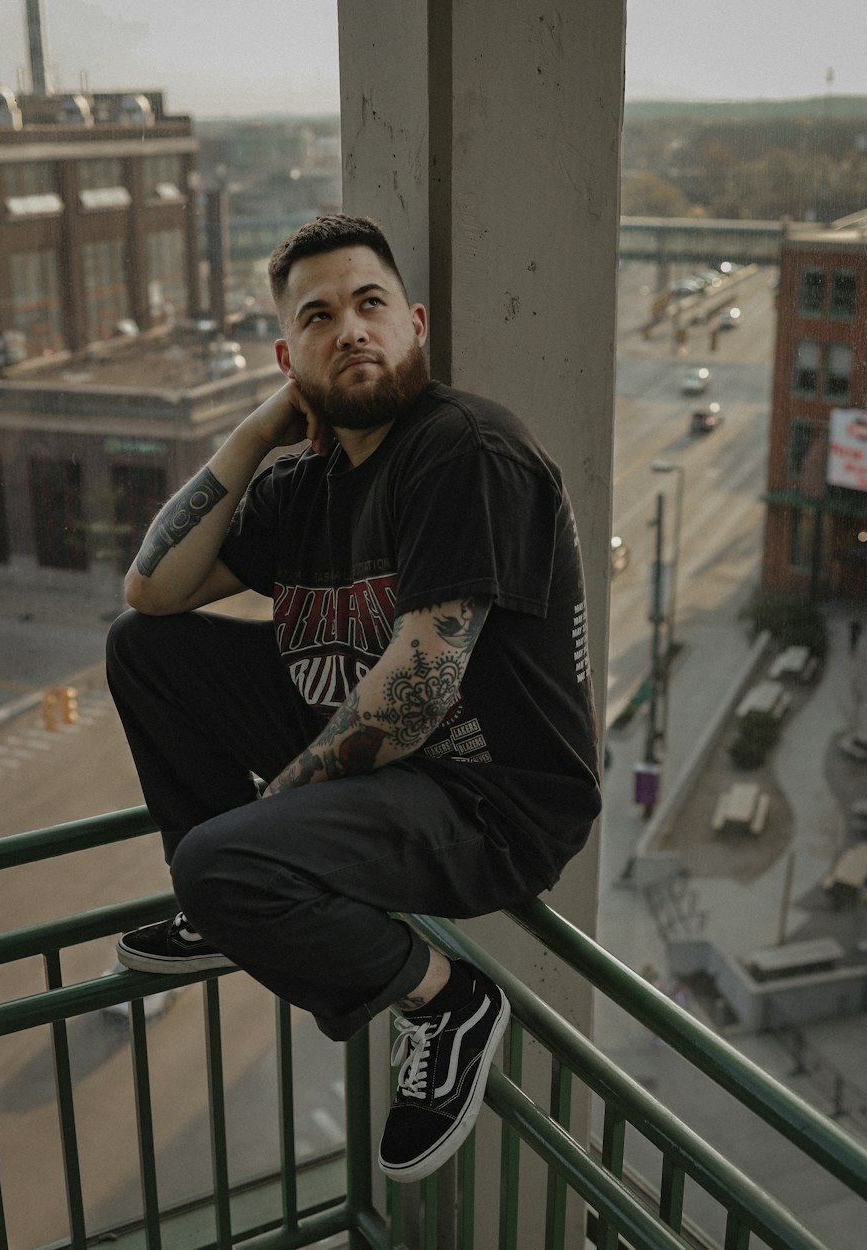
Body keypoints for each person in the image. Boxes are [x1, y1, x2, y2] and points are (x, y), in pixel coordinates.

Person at [106, 213, 601, 1184]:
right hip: (387, 753)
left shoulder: (463, 450)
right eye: (320, 315)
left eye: (370, 303)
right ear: (292, 355)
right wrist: (255, 430)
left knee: (224, 861)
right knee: (143, 650)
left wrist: (264, 817)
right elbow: (151, 590)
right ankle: (225, 896)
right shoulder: (307, 483)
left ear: (413, 324)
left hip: (490, 797)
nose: (352, 328)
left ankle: (441, 995)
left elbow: (414, 692)